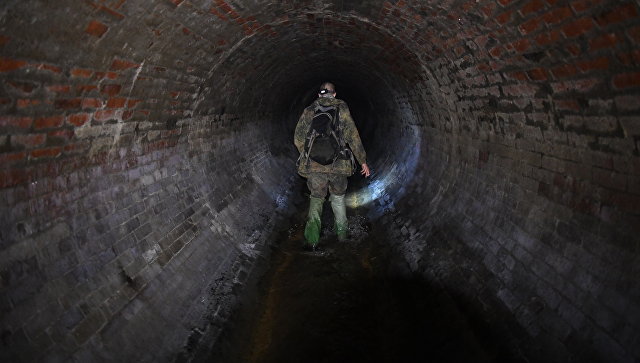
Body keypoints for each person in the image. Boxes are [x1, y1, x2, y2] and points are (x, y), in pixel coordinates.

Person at [294, 82, 370, 250]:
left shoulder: (309, 110)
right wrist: (362, 161)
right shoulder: (342, 109)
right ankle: (342, 235)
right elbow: (353, 136)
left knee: (316, 199)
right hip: (339, 165)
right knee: (338, 198)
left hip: (314, 166)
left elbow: (298, 137)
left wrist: (308, 154)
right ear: (334, 94)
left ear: (319, 95)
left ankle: (312, 239)